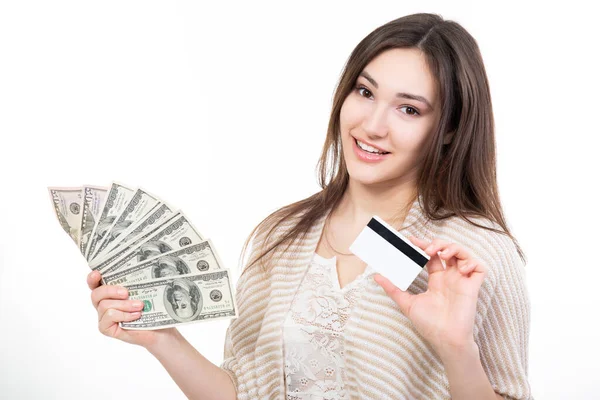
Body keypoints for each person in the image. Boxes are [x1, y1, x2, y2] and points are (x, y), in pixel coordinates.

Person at [87, 13, 532, 400]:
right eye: (364, 92)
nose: (373, 125)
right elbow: (244, 392)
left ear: (450, 128)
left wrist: (456, 349)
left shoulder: (475, 255)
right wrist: (163, 338)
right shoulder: (283, 235)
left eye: (409, 110)